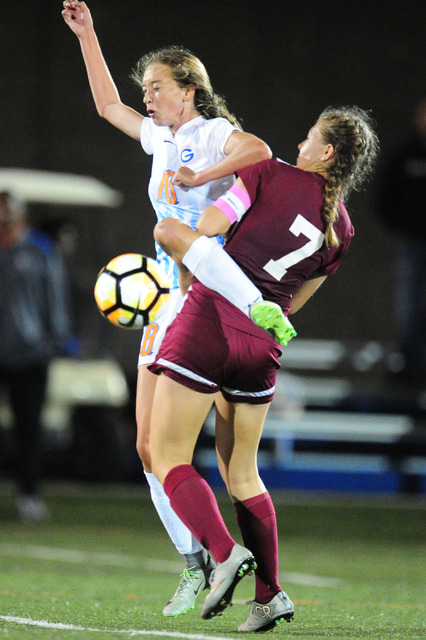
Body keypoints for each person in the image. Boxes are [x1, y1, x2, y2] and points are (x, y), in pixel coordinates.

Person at [61, 0, 276, 616]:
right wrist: (88, 34)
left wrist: (204, 171)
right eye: (146, 89)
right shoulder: (160, 136)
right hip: (164, 295)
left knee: (200, 452)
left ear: (190, 91)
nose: (147, 97)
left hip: (197, 297)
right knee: (149, 449)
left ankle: (221, 558)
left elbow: (259, 151)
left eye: (157, 87)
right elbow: (107, 107)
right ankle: (205, 560)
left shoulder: (208, 134)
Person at [149, 105, 379, 631]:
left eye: (307, 137)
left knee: (165, 454)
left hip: (212, 317)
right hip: (263, 345)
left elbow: (206, 230)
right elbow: (293, 305)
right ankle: (270, 594)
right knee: (242, 471)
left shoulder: (268, 171)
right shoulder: (341, 226)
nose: (297, 144)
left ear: (326, 152)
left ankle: (223, 555)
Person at [0, 192, 73, 522]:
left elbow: (55, 298)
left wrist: (54, 341)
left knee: (29, 429)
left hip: (29, 355)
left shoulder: (40, 249)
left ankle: (28, 495)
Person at [376, 97, 426, 383]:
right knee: (408, 304)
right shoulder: (404, 156)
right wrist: (403, 226)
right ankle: (409, 365)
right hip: (412, 244)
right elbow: (386, 198)